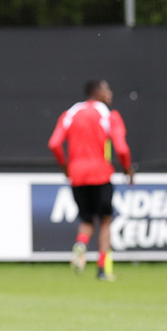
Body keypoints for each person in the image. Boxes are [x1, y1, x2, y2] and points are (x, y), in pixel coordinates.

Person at [48, 78, 133, 281]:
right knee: (105, 220)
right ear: (98, 93)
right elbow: (121, 147)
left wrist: (65, 167)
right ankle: (102, 269)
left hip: (77, 176)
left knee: (86, 219)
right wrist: (127, 169)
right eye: (107, 89)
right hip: (101, 174)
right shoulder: (108, 114)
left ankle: (81, 245)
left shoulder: (70, 114)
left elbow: (54, 144)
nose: (110, 93)